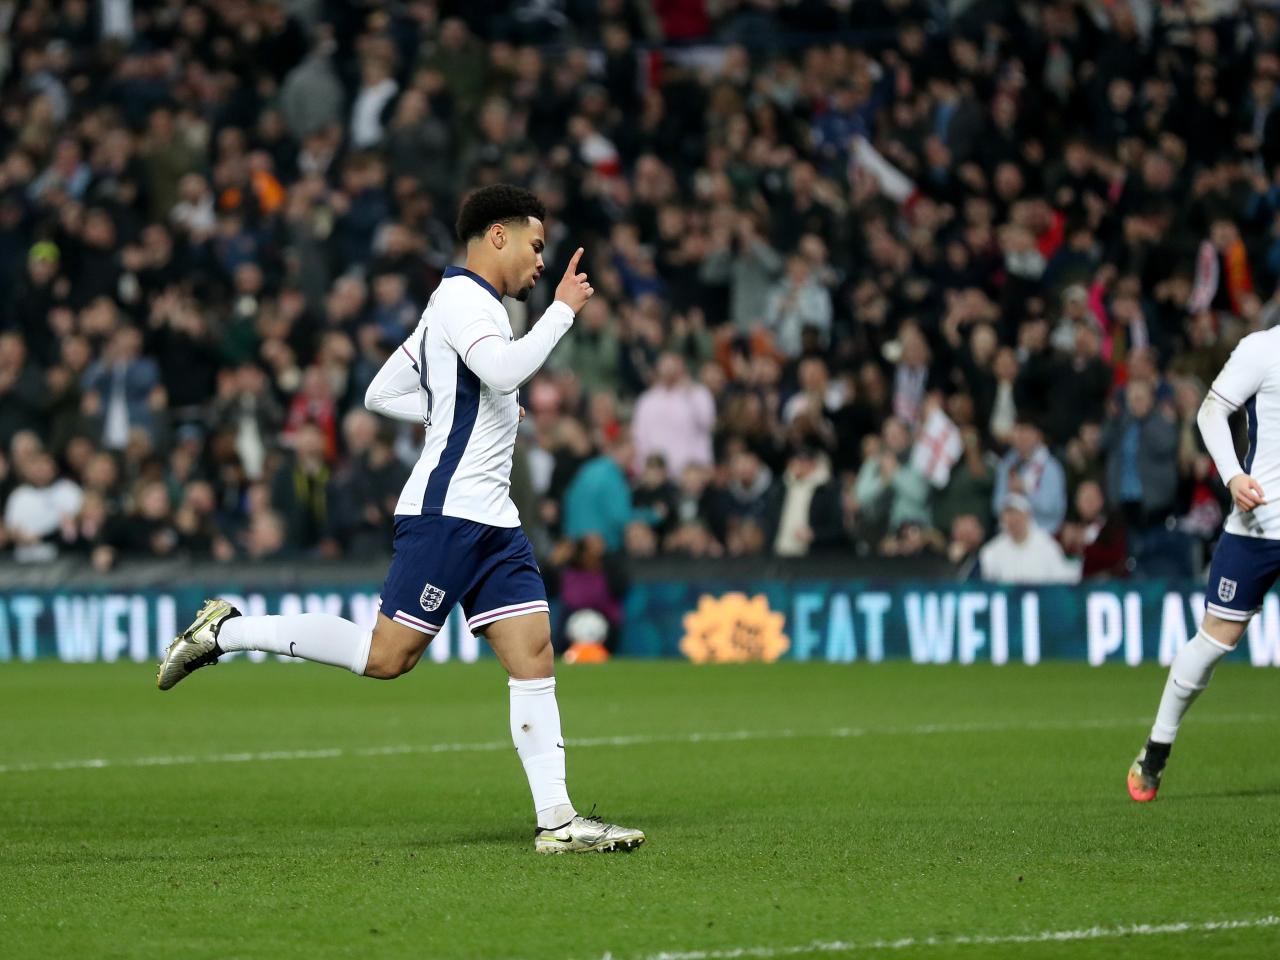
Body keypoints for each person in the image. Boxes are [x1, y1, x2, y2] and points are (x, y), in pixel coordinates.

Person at [157, 185, 644, 854]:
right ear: (495, 238)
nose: (542, 262)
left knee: (533, 654)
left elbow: (383, 391)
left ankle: (558, 822)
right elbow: (500, 372)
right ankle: (229, 630)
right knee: (387, 657)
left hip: (492, 518)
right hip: (447, 514)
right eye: (535, 246)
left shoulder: (459, 301)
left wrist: (458, 407)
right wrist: (560, 314)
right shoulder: (467, 301)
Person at [1128, 327, 1280, 802]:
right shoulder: (1262, 348)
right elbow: (1211, 411)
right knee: (1216, 641)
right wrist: (1233, 475)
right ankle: (1157, 745)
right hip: (1258, 523)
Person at [978, 494, 1081, 584]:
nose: (1013, 520)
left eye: (1016, 514)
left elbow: (1061, 580)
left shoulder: (1047, 545)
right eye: (1008, 515)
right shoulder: (991, 551)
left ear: (1027, 516)